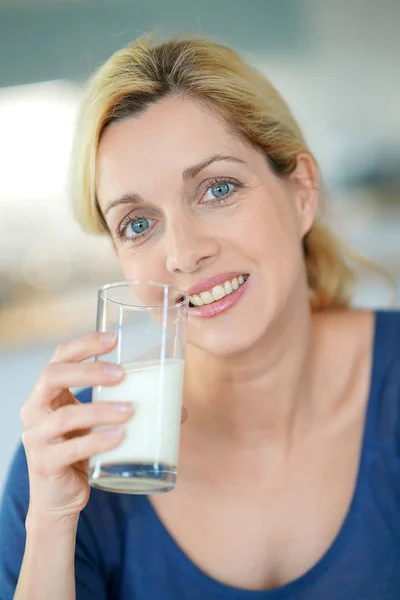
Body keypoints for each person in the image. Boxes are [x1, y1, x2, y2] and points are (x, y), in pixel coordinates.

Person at [0, 34, 399, 600]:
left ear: (302, 191)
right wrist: (51, 524)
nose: (184, 253)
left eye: (217, 188)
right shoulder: (72, 456)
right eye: (138, 223)